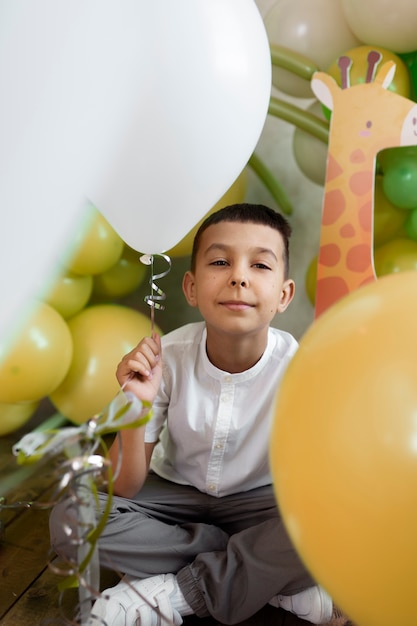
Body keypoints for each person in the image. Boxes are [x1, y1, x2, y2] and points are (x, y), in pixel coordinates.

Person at [50, 203, 351, 626]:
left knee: (335, 524)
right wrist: (134, 409)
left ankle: (176, 592)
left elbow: (317, 489)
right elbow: (125, 486)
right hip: (173, 497)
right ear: (191, 287)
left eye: (260, 265)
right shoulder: (165, 357)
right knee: (71, 518)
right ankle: (256, 574)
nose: (239, 276)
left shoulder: (303, 369)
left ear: (283, 295)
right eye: (221, 261)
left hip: (258, 503)